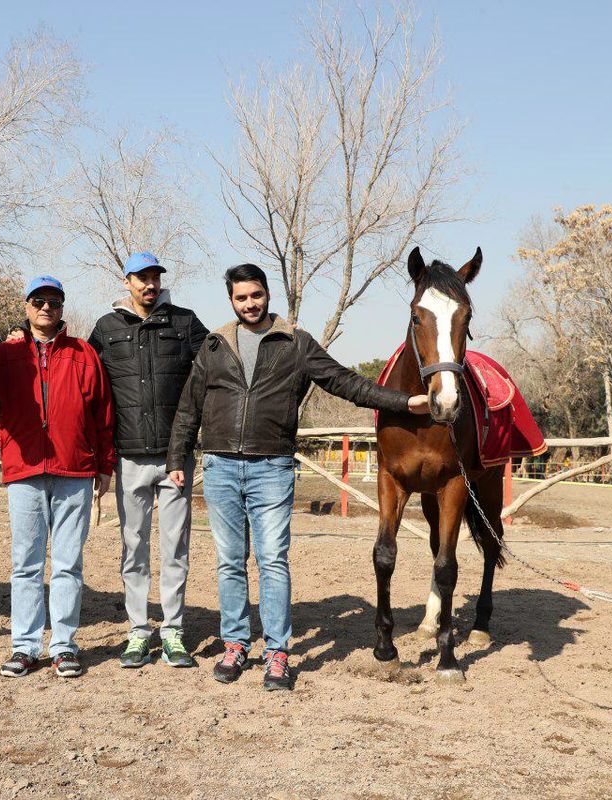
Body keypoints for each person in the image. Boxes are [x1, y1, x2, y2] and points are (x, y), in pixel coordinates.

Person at [166, 264, 429, 691]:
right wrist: (178, 455)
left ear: (268, 295)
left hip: (271, 467)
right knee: (230, 562)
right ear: (231, 301)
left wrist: (403, 402)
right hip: (220, 466)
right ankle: (235, 645)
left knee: (272, 561)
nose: (250, 303)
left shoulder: (296, 344)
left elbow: (347, 384)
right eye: (241, 298)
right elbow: (188, 406)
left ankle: (276, 653)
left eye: (256, 295)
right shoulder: (214, 345)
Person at [0, 275, 115, 679]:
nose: (47, 308)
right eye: (39, 301)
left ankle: (63, 646)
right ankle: (25, 646)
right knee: (25, 564)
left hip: (74, 471)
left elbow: (103, 415)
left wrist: (105, 465)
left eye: (55, 302)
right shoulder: (5, 356)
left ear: (61, 309)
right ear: (26, 307)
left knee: (67, 564)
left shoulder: (84, 355)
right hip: (24, 473)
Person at [87, 252, 208, 669]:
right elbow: (82, 373)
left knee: (176, 548)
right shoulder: (106, 328)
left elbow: (217, 361)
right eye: (142, 277)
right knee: (133, 547)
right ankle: (139, 631)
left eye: (155, 276)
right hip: (129, 458)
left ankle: (173, 630)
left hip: (176, 457)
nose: (150, 284)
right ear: (127, 282)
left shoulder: (185, 322)